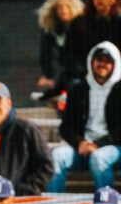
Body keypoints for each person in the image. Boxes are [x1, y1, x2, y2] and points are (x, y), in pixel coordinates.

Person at [49, 41, 121, 192]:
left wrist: (98, 144)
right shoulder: (79, 89)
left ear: (115, 64)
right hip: (83, 148)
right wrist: (80, 142)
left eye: (107, 61)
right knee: (57, 156)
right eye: (99, 60)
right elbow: (66, 127)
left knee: (99, 158)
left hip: (114, 148)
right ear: (91, 61)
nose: (102, 64)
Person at [0, 82, 53, 196]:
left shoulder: (27, 130)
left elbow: (46, 166)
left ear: (9, 103)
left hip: (22, 202)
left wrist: (25, 191)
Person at [63, 0, 121, 86]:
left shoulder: (118, 24)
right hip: (83, 77)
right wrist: (85, 74)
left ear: (113, 0)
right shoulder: (79, 23)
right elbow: (70, 55)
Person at [35, 0, 85, 96]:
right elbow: (47, 55)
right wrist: (48, 75)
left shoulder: (82, 27)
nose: (63, 10)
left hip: (81, 73)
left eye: (66, 6)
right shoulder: (51, 31)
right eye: (59, 7)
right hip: (63, 76)